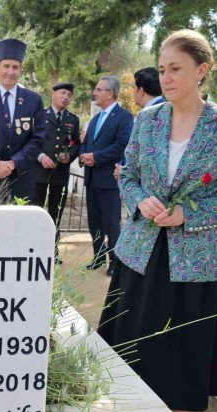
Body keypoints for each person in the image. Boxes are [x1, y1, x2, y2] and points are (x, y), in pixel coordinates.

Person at [97, 29, 217, 412]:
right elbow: (129, 175)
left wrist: (189, 213)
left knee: (177, 375)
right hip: (140, 257)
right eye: (162, 69)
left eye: (175, 69)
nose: (165, 78)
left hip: (195, 266)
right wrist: (140, 200)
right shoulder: (148, 119)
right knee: (126, 365)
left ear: (202, 70)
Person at [0, 38, 45, 202]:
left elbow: (38, 138)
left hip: (22, 178)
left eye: (15, 67)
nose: (10, 72)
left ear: (21, 69)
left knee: (20, 219)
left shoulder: (33, 100)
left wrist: (13, 163)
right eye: (6, 66)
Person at [79, 75, 133, 276]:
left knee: (111, 223)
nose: (94, 92)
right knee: (94, 221)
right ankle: (98, 256)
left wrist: (96, 157)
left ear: (110, 93)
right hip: (92, 178)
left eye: (98, 89)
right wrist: (83, 155)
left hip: (109, 179)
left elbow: (122, 145)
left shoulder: (124, 117)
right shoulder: (95, 119)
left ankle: (115, 262)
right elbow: (86, 143)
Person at [33, 82, 81, 263]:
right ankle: (34, 249)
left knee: (56, 213)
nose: (65, 97)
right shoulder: (40, 116)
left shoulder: (72, 120)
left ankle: (52, 252)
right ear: (53, 94)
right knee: (36, 211)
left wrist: (69, 156)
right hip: (39, 172)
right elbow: (31, 141)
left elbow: (76, 144)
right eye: (62, 93)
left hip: (60, 174)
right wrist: (40, 157)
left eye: (69, 94)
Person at [115, 67, 164, 180]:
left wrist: (125, 171)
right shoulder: (159, 110)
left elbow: (146, 153)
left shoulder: (154, 114)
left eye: (134, 87)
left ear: (141, 91)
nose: (133, 91)